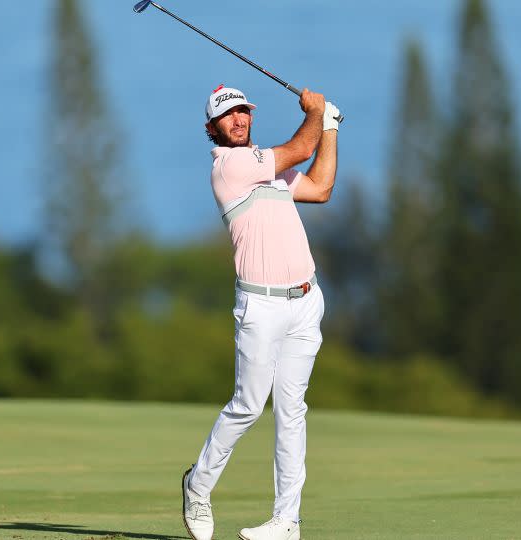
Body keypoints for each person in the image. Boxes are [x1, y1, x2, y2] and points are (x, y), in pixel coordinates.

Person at [181, 85, 339, 540]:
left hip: (305, 301)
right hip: (260, 306)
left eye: (243, 112)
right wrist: (316, 114)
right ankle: (198, 484)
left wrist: (328, 127)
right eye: (228, 116)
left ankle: (287, 521)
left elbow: (322, 187)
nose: (238, 121)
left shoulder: (269, 170)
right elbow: (300, 147)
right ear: (211, 129)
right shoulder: (229, 167)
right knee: (248, 405)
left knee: (292, 412)